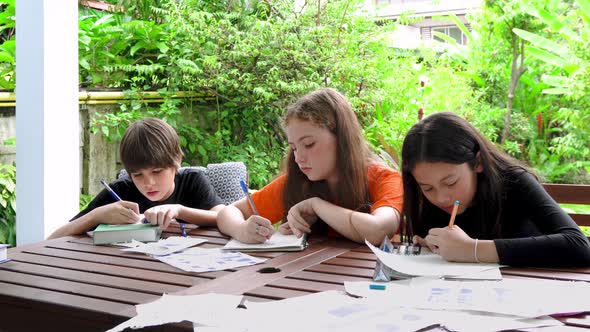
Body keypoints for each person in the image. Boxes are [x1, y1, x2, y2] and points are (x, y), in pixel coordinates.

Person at [401, 111, 590, 267]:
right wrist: (435, 244)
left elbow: (579, 245)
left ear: (478, 162)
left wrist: (472, 249)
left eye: (450, 183)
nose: (441, 198)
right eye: (427, 188)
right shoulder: (427, 202)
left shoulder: (514, 182)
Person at [218, 88, 403, 245]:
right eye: (294, 148)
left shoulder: (385, 179)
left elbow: (379, 230)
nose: (298, 158)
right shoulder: (298, 181)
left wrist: (316, 206)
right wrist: (241, 230)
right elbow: (228, 212)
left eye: (308, 144)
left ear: (341, 138)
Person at [48, 117, 224, 239]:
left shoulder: (193, 181)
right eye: (138, 175)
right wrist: (96, 216)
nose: (149, 183)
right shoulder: (120, 191)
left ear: (176, 160)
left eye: (157, 171)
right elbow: (53, 239)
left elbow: (224, 216)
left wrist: (179, 210)